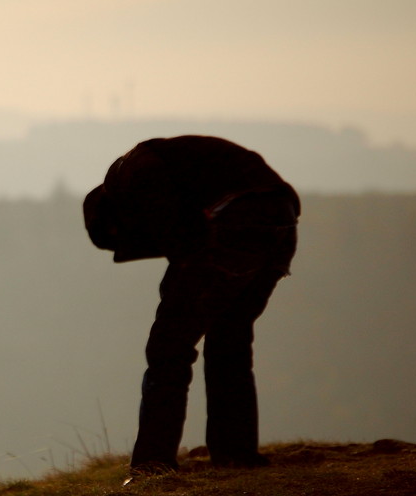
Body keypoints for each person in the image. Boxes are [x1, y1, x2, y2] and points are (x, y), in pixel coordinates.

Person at [83, 136, 299, 473]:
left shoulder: (129, 177)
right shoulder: (165, 171)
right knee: (230, 341)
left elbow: (184, 239)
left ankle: (153, 463)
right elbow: (183, 233)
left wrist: (179, 283)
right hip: (281, 224)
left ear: (118, 221)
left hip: (233, 221)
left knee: (169, 349)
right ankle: (235, 456)